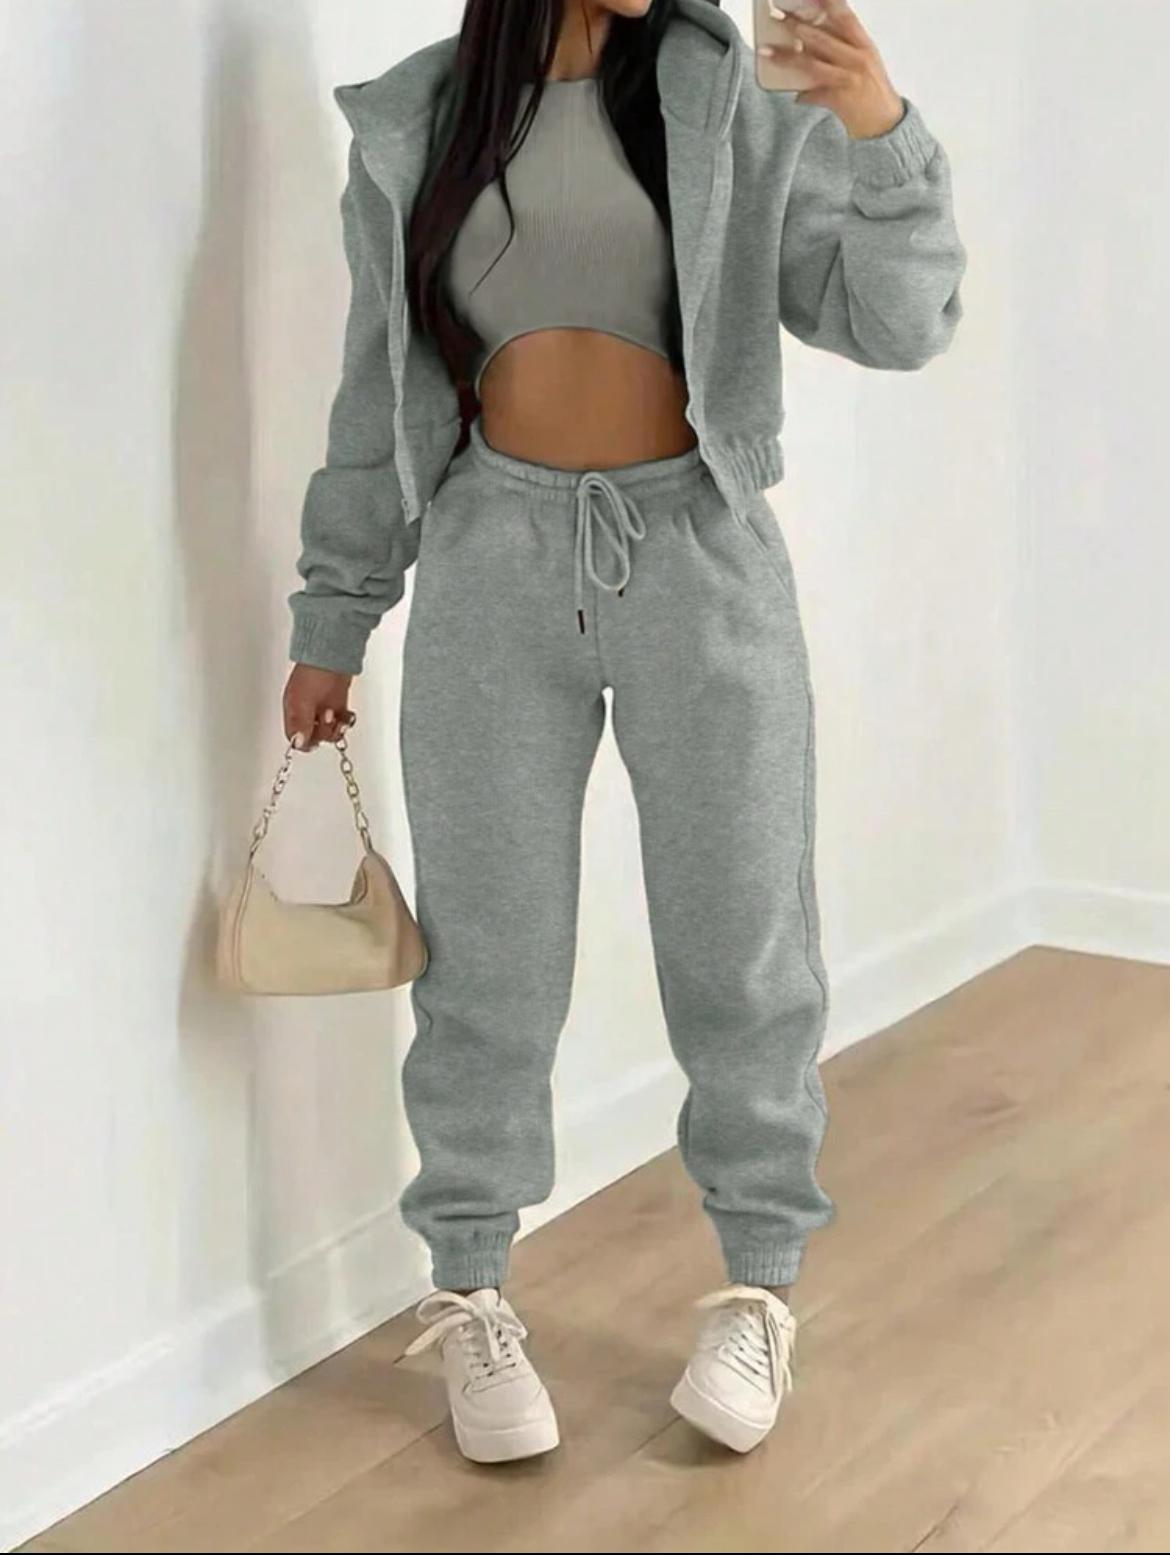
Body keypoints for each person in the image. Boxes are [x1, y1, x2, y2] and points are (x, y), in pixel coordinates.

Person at [283, 0, 965, 1462]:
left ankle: (759, 1287)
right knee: (488, 964)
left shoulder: (737, 99)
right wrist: (335, 613)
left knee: (743, 947)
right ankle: (472, 1290)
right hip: (491, 571)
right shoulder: (418, 122)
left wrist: (880, 134)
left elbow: (898, 324)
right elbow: (376, 385)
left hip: (699, 564)